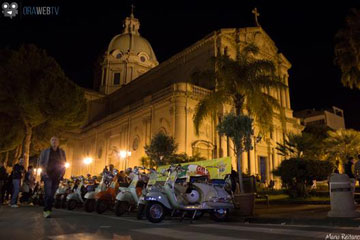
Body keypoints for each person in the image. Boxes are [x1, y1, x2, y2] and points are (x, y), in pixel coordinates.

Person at [39, 136, 66, 218]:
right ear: (50, 142)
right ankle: (46, 210)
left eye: (56, 140)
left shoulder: (61, 152)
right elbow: (41, 162)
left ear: (58, 142)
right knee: (48, 193)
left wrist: (62, 174)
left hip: (57, 176)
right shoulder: (45, 151)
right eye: (52, 140)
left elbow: (64, 163)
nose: (54, 141)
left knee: (52, 194)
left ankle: (49, 209)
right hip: (47, 175)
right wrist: (44, 173)